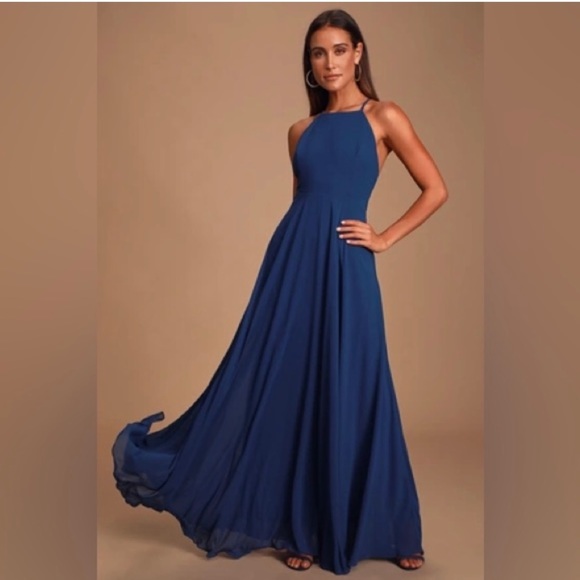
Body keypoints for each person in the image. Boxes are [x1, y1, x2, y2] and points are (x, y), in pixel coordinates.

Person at [111, 8, 448, 576]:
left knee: (360, 384)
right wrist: (290, 268)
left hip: (348, 266)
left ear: (358, 54)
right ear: (310, 64)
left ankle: (391, 528)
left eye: (339, 50)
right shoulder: (300, 131)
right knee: (295, 388)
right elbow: (302, 205)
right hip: (292, 267)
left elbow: (435, 188)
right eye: (318, 53)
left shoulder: (383, 116)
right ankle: (299, 527)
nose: (329, 62)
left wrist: (385, 238)